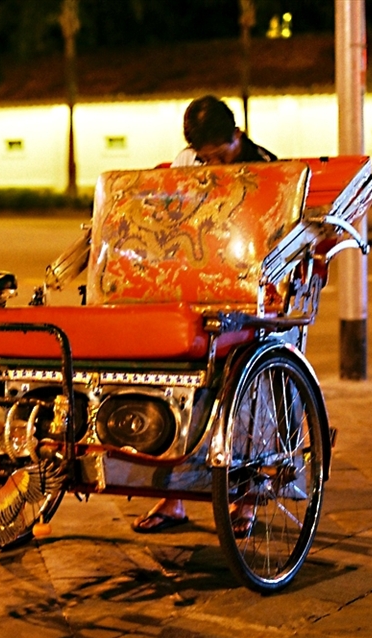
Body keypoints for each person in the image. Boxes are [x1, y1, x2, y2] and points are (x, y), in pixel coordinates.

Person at [131, 94, 276, 535]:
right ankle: (171, 498)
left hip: (249, 301)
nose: (210, 165)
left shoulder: (268, 169)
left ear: (237, 136)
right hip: (197, 292)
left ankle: (245, 503)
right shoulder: (186, 164)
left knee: (250, 393)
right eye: (203, 157)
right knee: (174, 384)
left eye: (218, 155)